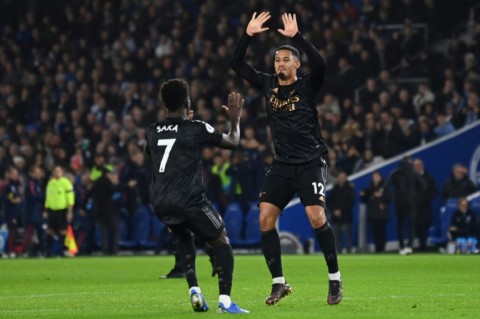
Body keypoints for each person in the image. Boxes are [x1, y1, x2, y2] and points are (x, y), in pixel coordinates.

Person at [231, 12, 342, 305]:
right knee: (265, 219)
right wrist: (248, 34)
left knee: (316, 216)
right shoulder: (268, 85)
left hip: (310, 161)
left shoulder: (307, 85)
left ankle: (334, 279)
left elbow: (321, 64)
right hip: (282, 164)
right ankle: (279, 283)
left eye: (285, 59)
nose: (280, 63)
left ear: (296, 64)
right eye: (277, 60)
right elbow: (236, 64)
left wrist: (297, 38)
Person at [145, 79, 248, 313]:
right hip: (189, 199)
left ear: (164, 106)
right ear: (188, 102)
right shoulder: (197, 128)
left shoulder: (151, 131)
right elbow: (232, 142)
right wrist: (235, 119)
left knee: (183, 237)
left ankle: (195, 291)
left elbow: (152, 153)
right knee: (222, 242)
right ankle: (225, 302)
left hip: (160, 201)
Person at [385, 156, 425, 255]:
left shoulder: (395, 173)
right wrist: (417, 198)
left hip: (399, 202)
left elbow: (386, 187)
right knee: (411, 225)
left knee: (400, 225)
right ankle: (410, 246)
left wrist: (392, 198)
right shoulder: (413, 173)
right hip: (411, 202)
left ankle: (402, 246)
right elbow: (423, 186)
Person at [86, 167, 120, 255]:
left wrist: (83, 206)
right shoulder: (108, 183)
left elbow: (88, 195)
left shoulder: (96, 183)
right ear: (107, 174)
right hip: (110, 211)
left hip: (99, 211)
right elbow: (115, 190)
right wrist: (116, 183)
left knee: (103, 233)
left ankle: (105, 251)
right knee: (115, 231)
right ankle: (113, 251)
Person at [44, 165, 75, 257]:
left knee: (63, 231)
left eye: (59, 171)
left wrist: (69, 211)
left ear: (62, 172)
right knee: (49, 230)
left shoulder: (66, 183)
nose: (57, 173)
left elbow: (70, 198)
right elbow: (48, 197)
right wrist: (46, 209)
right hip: (52, 210)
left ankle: (64, 250)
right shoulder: (50, 183)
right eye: (55, 171)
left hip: (62, 210)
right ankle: (47, 251)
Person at [360, 170, 389, 253]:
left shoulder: (384, 186)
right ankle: (377, 250)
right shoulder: (370, 188)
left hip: (382, 214)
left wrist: (383, 202)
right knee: (375, 233)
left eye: (377, 176)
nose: (375, 178)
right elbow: (365, 200)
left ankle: (382, 249)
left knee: (381, 232)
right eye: (374, 176)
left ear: (380, 177)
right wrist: (363, 195)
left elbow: (389, 197)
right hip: (373, 214)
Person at [412, 158, 437, 252]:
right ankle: (420, 244)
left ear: (422, 166)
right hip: (414, 208)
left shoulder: (429, 177)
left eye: (418, 166)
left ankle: (423, 246)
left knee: (424, 227)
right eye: (414, 166)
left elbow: (434, 191)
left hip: (425, 208)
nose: (416, 168)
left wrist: (426, 199)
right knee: (417, 227)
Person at [328, 171, 355, 253]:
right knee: (337, 237)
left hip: (346, 216)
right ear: (338, 178)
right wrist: (334, 210)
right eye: (340, 177)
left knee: (348, 237)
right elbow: (330, 201)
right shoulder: (334, 188)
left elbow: (350, 202)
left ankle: (349, 253)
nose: (341, 179)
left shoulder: (350, 188)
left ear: (346, 178)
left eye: (343, 177)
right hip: (336, 217)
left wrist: (341, 211)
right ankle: (338, 253)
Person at [22, 165, 46, 257]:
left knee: (40, 232)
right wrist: (44, 195)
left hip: (38, 211)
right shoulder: (31, 183)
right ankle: (25, 251)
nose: (39, 174)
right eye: (36, 172)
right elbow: (33, 197)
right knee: (30, 232)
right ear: (31, 173)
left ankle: (41, 251)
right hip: (32, 212)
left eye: (39, 172)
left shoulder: (38, 183)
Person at [2, 166, 23, 258]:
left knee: (14, 232)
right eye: (13, 174)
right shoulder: (6, 185)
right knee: (12, 231)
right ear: (9, 175)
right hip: (10, 212)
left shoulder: (16, 185)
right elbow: (2, 197)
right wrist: (11, 200)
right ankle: (9, 251)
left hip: (17, 211)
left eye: (16, 174)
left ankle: (9, 250)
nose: (15, 176)